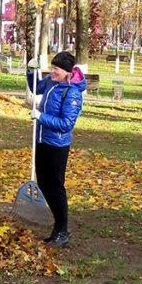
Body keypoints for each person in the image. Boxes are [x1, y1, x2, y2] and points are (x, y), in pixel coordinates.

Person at [26, 50, 87, 248]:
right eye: (52, 67)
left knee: (56, 188)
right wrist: (31, 71)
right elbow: (36, 88)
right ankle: (57, 228)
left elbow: (66, 123)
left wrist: (40, 117)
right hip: (42, 140)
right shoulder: (52, 82)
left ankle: (62, 229)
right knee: (44, 184)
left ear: (68, 72)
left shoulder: (72, 92)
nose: (52, 72)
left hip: (57, 146)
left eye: (57, 69)